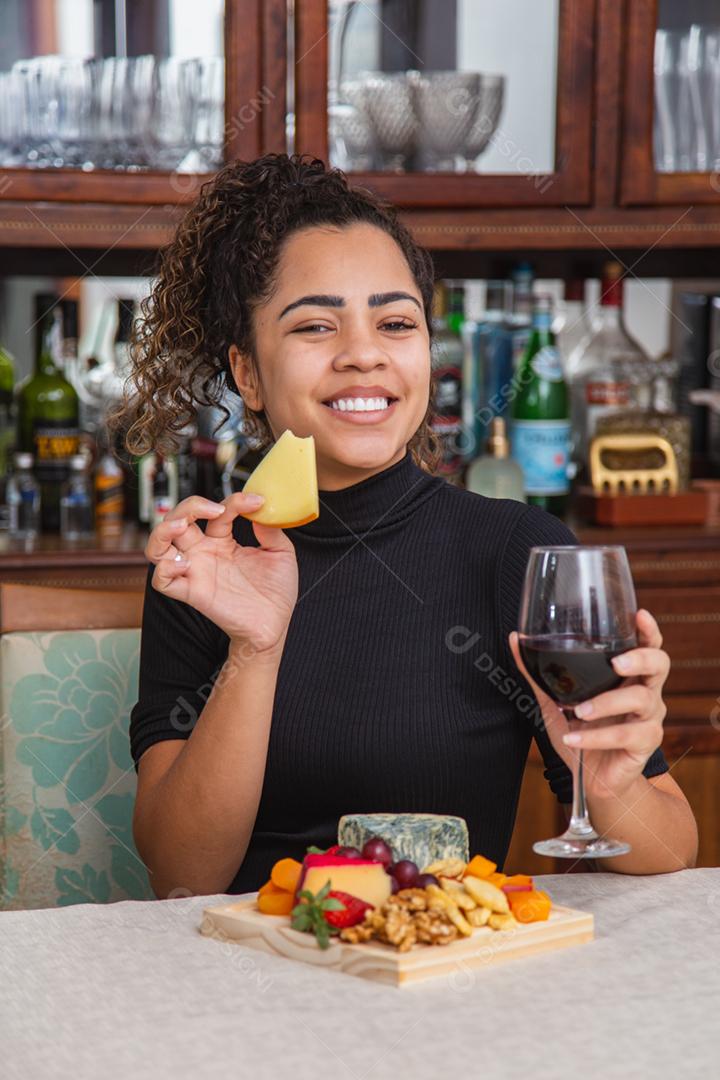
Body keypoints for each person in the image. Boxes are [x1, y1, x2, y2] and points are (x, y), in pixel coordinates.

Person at [120, 154, 697, 899]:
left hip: (439, 981)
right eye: (316, 326)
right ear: (248, 372)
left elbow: (671, 852)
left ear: (427, 351)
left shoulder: (515, 551)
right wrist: (253, 650)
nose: (364, 354)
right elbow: (182, 873)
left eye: (396, 322)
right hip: (246, 985)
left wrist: (612, 780)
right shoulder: (202, 567)